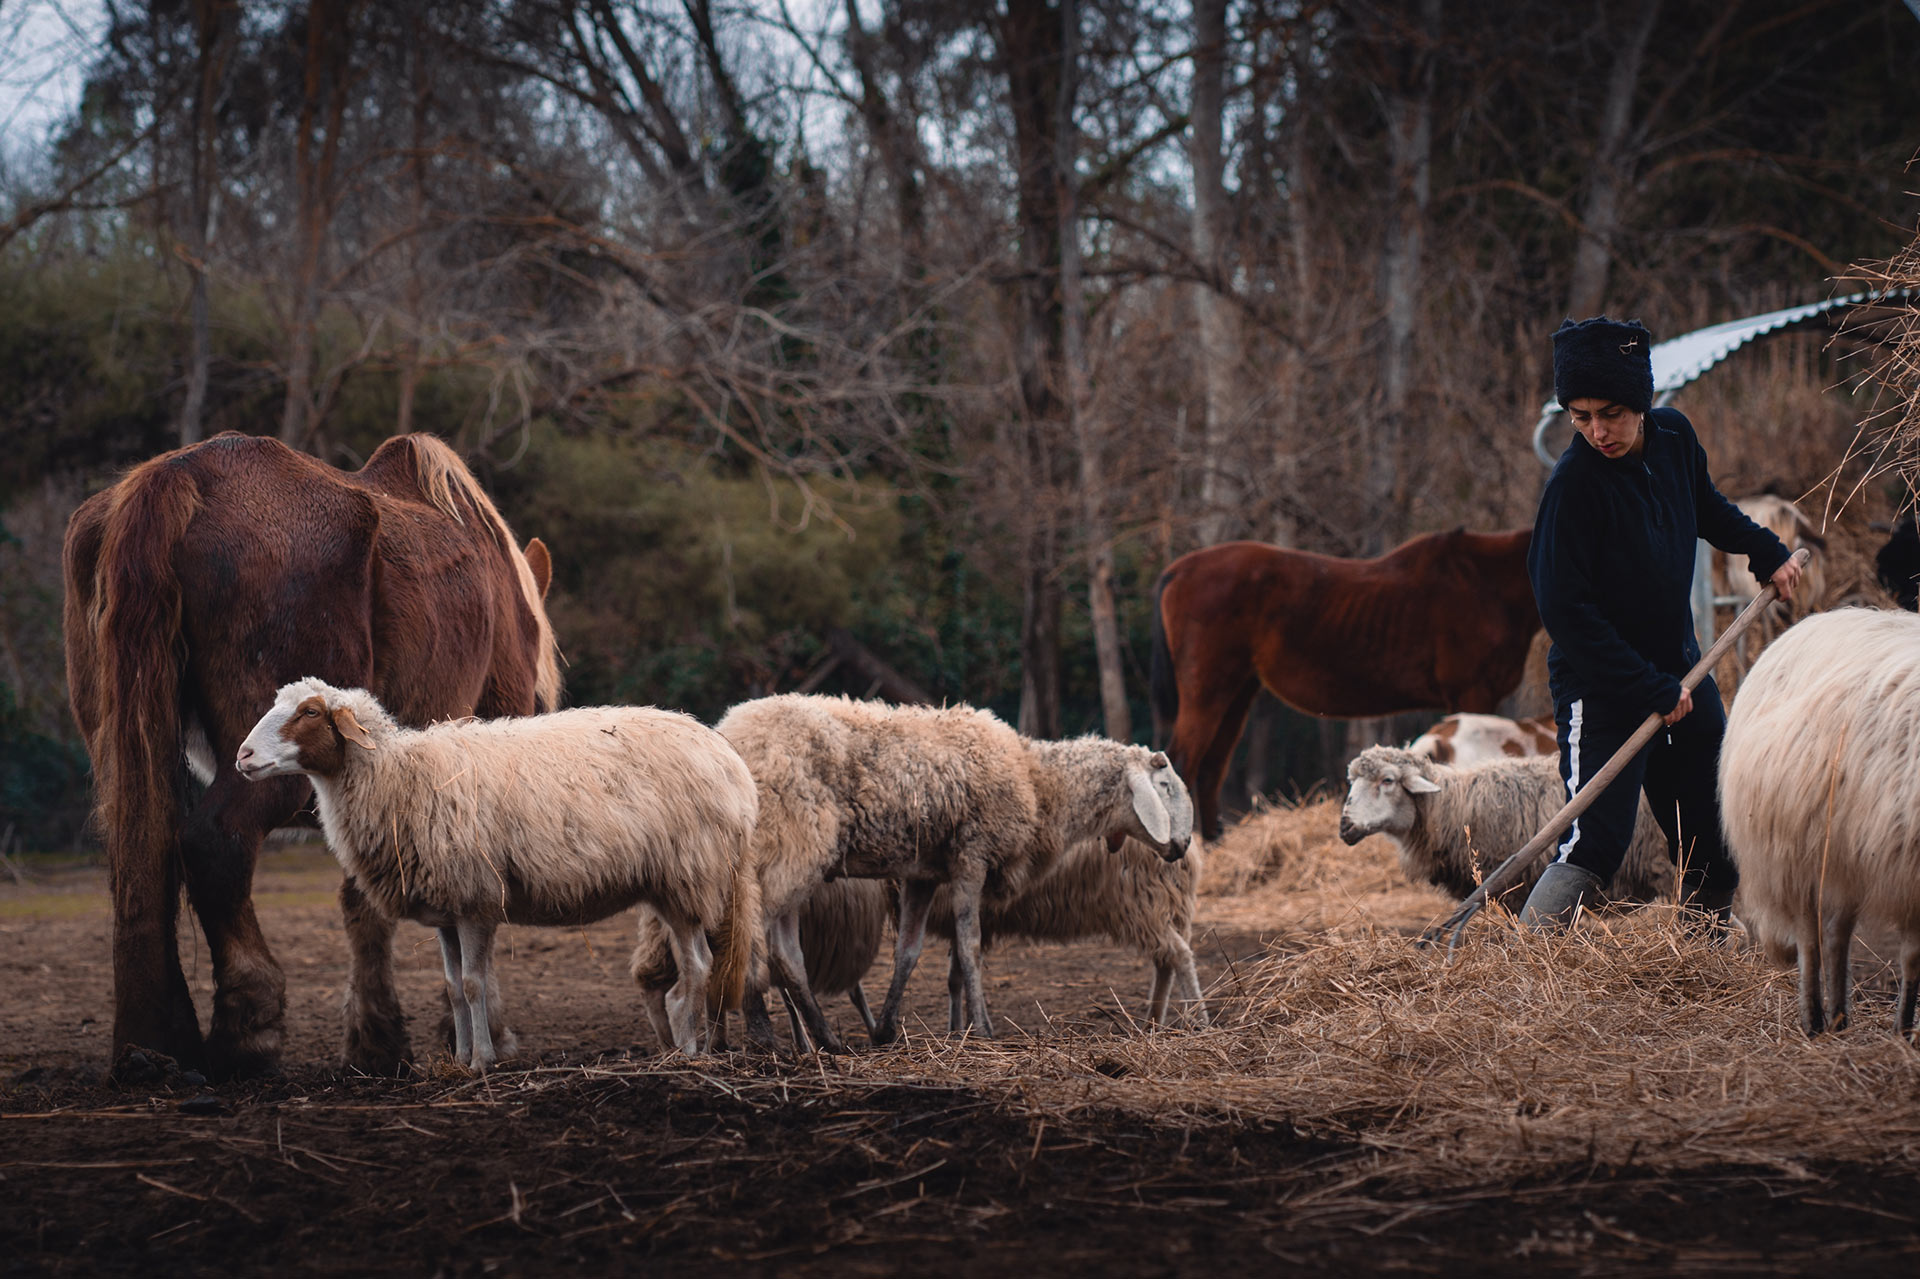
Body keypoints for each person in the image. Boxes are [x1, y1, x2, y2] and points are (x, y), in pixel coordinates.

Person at [1520, 315, 1803, 929]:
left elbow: (1706, 507)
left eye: (1612, 413)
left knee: (1712, 828)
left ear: (1643, 404)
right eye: (1581, 416)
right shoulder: (1573, 488)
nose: (1598, 431)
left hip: (1682, 669)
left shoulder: (1673, 438)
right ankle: (1522, 967)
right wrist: (1644, 686)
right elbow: (1566, 613)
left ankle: (1696, 963)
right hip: (1601, 688)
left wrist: (1766, 551)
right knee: (1595, 841)